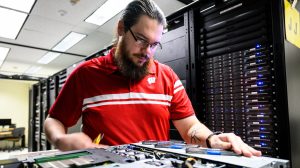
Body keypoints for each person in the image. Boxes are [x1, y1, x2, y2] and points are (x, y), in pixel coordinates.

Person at [44, 0, 261, 157]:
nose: (147, 51)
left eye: (155, 44)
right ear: (121, 29)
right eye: (141, 40)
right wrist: (60, 139)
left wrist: (213, 138)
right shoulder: (86, 74)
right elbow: (55, 119)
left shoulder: (166, 76)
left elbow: (190, 128)